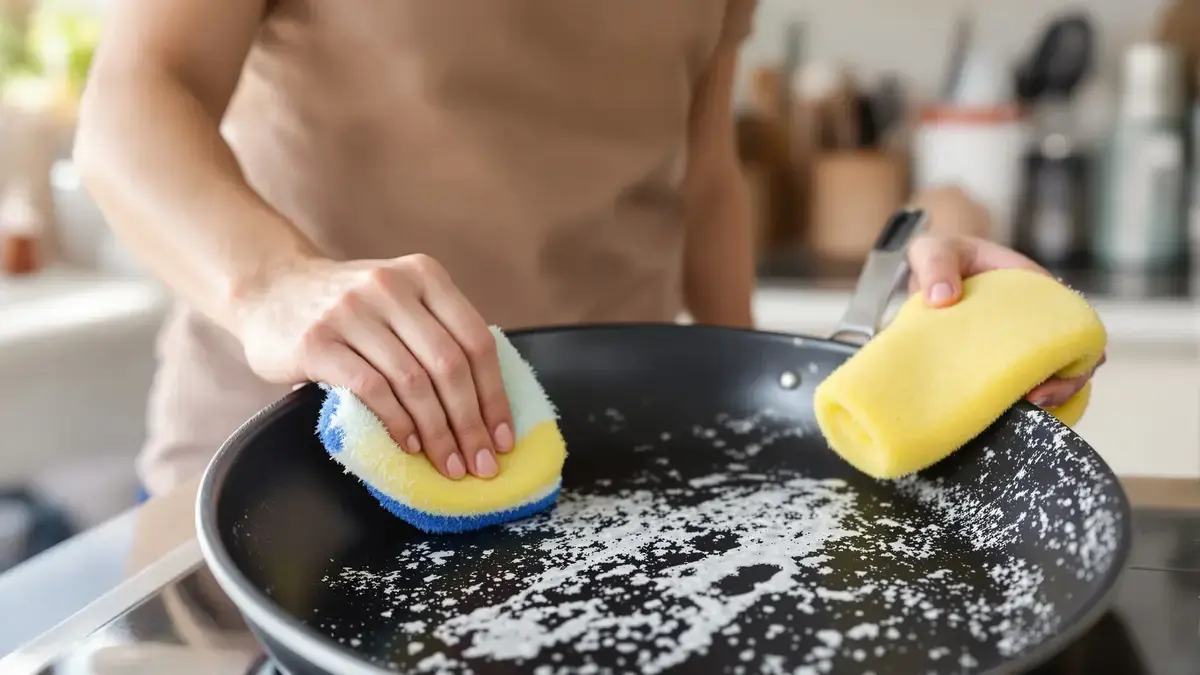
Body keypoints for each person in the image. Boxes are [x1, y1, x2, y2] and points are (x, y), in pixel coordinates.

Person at [73, 0, 1102, 499]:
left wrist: (789, 410)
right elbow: (132, 98)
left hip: (612, 470)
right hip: (287, 465)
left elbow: (703, 178)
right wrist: (271, 283)